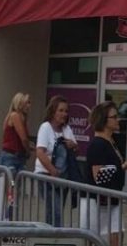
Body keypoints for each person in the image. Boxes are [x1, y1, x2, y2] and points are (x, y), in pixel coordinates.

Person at [84, 101, 127, 246]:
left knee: (116, 237)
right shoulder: (98, 144)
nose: (118, 120)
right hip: (98, 202)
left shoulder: (110, 142)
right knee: (98, 239)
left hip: (111, 199)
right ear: (104, 120)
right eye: (114, 117)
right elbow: (99, 176)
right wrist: (120, 167)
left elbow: (110, 169)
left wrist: (123, 166)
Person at [35, 95, 78, 226]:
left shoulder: (67, 129)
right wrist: (53, 171)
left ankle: (51, 236)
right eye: (60, 110)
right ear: (53, 111)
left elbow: (75, 152)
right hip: (47, 175)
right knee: (55, 211)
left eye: (66, 111)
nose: (64, 114)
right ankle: (55, 237)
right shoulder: (45, 127)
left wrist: (73, 146)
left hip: (63, 177)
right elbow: (40, 152)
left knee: (55, 211)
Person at [0, 92, 34, 175]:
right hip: (12, 156)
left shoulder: (20, 118)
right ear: (20, 104)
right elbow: (23, 138)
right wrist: (28, 151)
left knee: (15, 184)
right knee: (11, 184)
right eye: (27, 103)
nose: (29, 106)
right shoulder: (15, 116)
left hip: (17, 155)